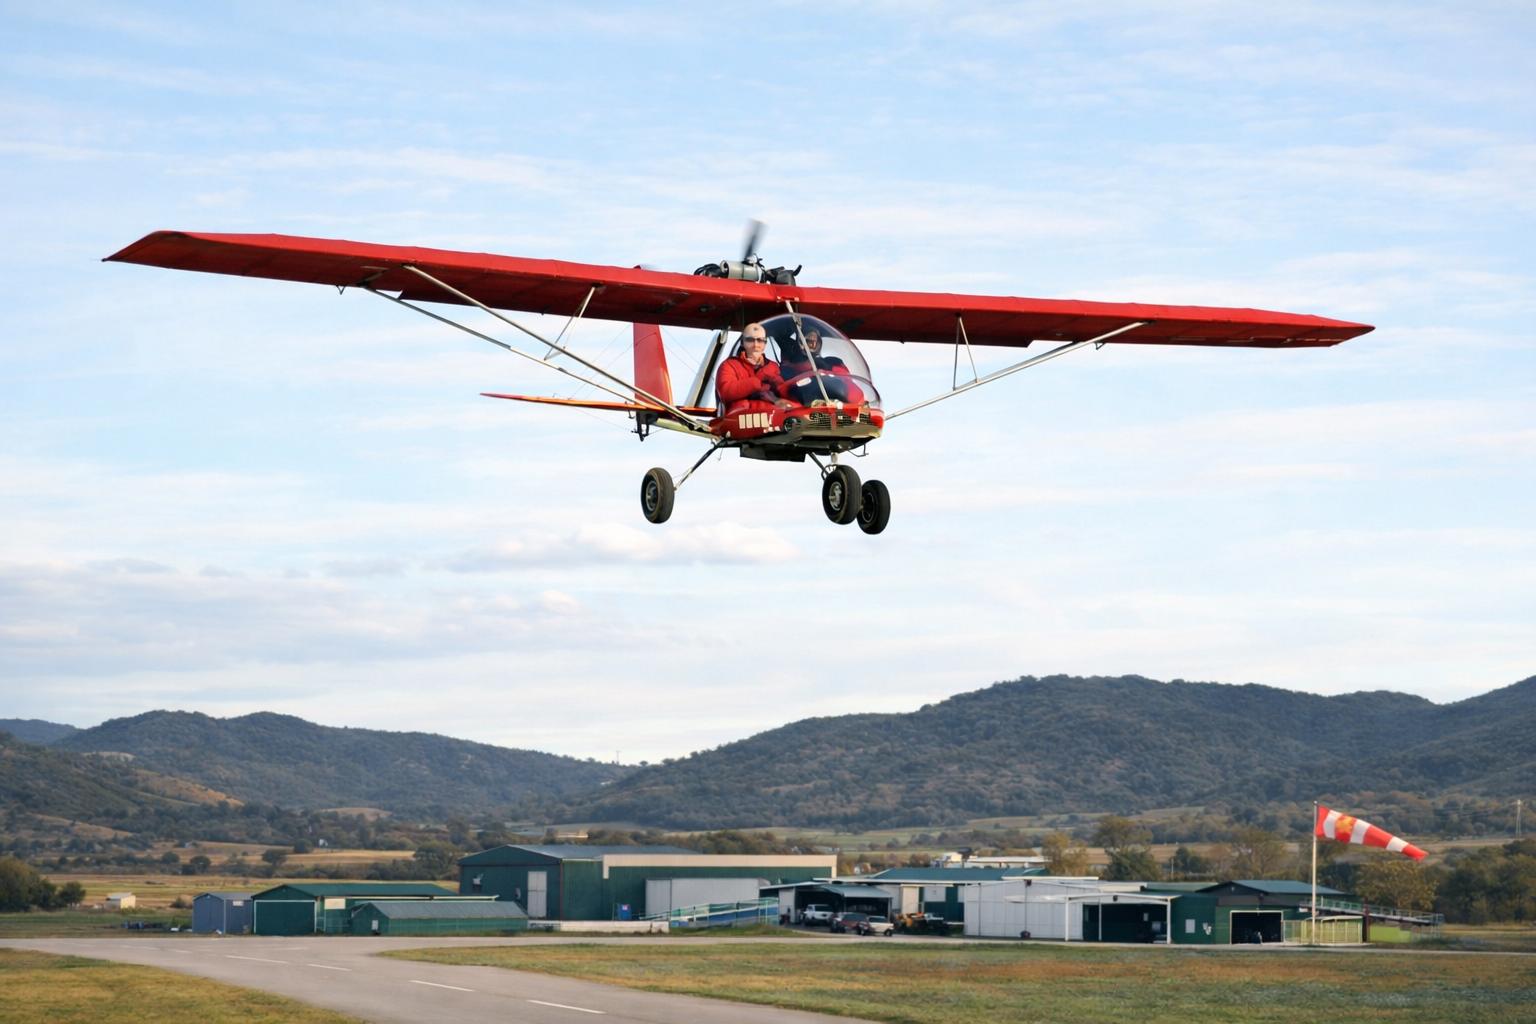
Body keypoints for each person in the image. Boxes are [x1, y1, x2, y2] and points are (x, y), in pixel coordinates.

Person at [715, 323, 791, 414]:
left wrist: (779, 385)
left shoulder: (772, 366)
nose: (755, 345)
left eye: (760, 340)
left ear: (765, 343)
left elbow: (784, 390)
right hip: (741, 417)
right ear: (743, 342)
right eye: (750, 340)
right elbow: (726, 391)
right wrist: (757, 382)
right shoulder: (729, 365)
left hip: (772, 415)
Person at [779, 328, 860, 406]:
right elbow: (781, 395)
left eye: (814, 342)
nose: (812, 345)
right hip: (804, 410)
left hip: (838, 407)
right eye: (808, 342)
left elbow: (856, 395)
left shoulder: (832, 363)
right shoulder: (785, 371)